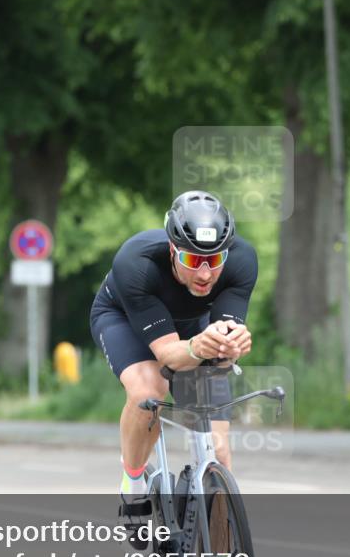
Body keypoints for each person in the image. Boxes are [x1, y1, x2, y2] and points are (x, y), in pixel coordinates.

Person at [89, 191, 257, 508]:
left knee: (219, 452)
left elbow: (220, 358)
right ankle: (133, 481)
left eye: (214, 260)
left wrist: (231, 348)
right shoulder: (136, 263)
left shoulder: (242, 261)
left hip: (192, 325)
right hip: (124, 319)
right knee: (150, 390)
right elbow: (168, 356)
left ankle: (217, 537)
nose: (205, 274)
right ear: (172, 249)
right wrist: (197, 347)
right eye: (192, 260)